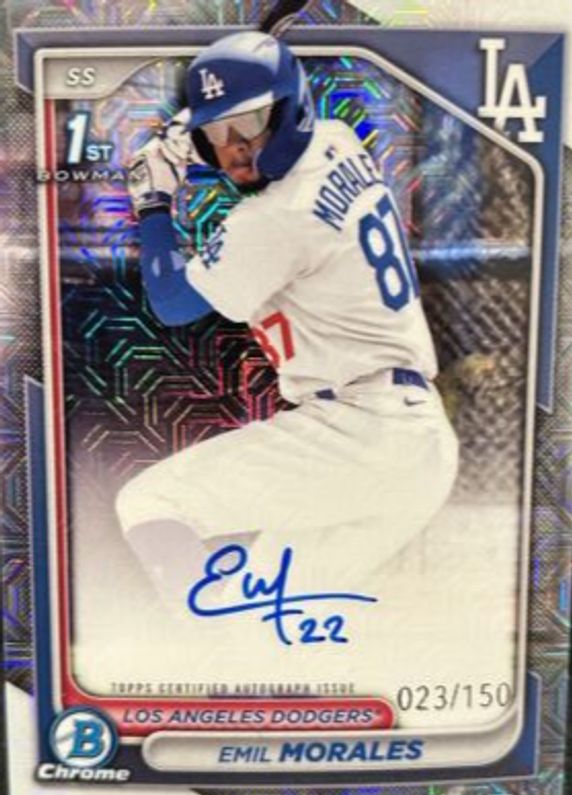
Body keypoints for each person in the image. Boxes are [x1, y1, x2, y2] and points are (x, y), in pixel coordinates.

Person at [118, 31, 458, 652]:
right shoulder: (338, 140)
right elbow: (266, 156)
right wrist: (212, 132)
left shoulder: (275, 219)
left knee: (150, 502)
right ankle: (222, 664)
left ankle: (194, 648)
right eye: (218, 134)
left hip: (361, 427)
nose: (235, 150)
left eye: (249, 126)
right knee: (258, 627)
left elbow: (171, 302)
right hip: (419, 446)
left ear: (290, 109)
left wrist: (154, 200)